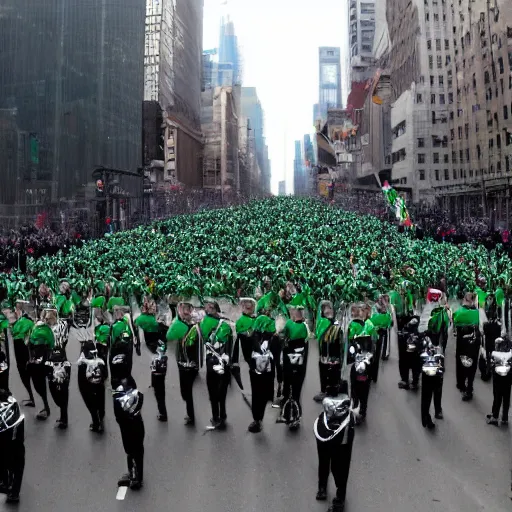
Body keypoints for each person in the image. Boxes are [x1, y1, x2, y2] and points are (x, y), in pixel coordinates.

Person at [236, 299, 277, 433]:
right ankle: (257, 419)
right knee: (257, 392)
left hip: (268, 365)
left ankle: (262, 412)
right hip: (256, 366)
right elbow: (245, 345)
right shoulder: (247, 325)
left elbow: (278, 344)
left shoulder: (272, 324)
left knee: (264, 391)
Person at [314, 395, 355, 512]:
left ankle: (340, 499)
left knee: (340, 466)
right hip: (328, 418)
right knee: (323, 459)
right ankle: (322, 486)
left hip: (344, 427)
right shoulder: (322, 419)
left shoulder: (348, 423)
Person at [201, 300, 234, 430]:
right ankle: (223, 415)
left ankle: (216, 417)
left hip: (212, 360)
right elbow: (230, 345)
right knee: (222, 390)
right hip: (224, 361)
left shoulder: (204, 322)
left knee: (213, 389)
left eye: (209, 307)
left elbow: (199, 339)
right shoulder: (226, 324)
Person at [167, 300, 202, 426]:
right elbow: (170, 336)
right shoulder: (179, 324)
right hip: (181, 361)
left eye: (187, 309)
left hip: (189, 364)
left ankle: (191, 416)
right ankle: (190, 411)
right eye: (182, 309)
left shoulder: (194, 324)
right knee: (184, 391)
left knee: (187, 391)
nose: (185, 312)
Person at [134, 296, 169, 421]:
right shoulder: (157, 322)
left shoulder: (139, 320)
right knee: (160, 389)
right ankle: (163, 412)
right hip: (159, 355)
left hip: (145, 354)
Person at [279, 306, 309, 430]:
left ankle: (295, 415)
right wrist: (279, 332)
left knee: (296, 387)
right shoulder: (289, 323)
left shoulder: (304, 326)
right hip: (288, 353)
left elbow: (306, 341)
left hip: (299, 356)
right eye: (294, 311)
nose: (295, 313)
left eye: (298, 312)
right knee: (288, 385)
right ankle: (286, 413)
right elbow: (283, 336)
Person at [113, 377, 144, 490]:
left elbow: (117, 413)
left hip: (128, 425)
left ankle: (136, 478)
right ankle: (134, 474)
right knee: (134, 450)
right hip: (135, 424)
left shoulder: (118, 396)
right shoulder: (138, 395)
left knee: (133, 450)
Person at [45, 308, 71, 429]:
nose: (46, 320)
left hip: (61, 359)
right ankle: (62, 410)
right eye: (46, 318)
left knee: (64, 389)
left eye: (48, 318)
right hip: (50, 360)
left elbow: (68, 322)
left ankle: (64, 418)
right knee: (52, 387)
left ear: (55, 317)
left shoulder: (63, 325)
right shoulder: (45, 328)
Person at [453, 292, 481, 401]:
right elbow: (482, 327)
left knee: (461, 364)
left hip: (463, 344)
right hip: (474, 344)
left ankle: (462, 384)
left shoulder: (460, 312)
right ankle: (469, 388)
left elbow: (455, 321)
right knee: (472, 366)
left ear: (465, 299)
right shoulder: (478, 313)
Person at [314, 300, 343, 402]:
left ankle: (333, 390)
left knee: (334, 371)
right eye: (325, 309)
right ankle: (324, 391)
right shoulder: (322, 323)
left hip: (335, 352)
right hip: (325, 352)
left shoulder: (337, 323)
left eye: (330, 308)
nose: (328, 311)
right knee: (324, 370)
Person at [27, 314, 55, 420]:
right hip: (44, 362)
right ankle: (46, 407)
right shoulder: (48, 332)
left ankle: (46, 408)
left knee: (39, 386)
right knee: (42, 385)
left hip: (37, 364)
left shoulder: (35, 332)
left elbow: (29, 344)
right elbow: (52, 345)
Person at [0, 389, 25, 503]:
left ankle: (9, 485)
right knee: (15, 460)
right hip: (13, 436)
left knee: (12, 458)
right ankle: (12, 489)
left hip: (9, 433)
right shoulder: (12, 404)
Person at [11, 301, 35, 406]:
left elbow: (14, 333)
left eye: (16, 310)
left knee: (24, 373)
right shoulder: (28, 320)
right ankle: (33, 397)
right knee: (28, 373)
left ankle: (32, 398)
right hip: (26, 347)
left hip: (21, 347)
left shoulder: (21, 322)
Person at [486, 336, 512, 426]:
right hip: (508, 372)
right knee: (506, 395)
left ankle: (495, 416)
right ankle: (504, 417)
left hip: (500, 372)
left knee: (497, 394)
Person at [420, 338, 445, 429]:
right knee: (427, 387)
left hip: (438, 345)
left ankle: (437, 409)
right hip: (426, 346)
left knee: (438, 381)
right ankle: (426, 416)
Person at [370, 297, 392, 383]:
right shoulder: (372, 307)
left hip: (379, 332)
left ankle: (373, 375)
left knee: (375, 355)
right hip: (370, 333)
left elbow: (389, 321)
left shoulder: (386, 308)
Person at [397, 316, 422, 391]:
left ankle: (415, 381)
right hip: (407, 344)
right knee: (404, 360)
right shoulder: (407, 325)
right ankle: (405, 379)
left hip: (416, 345)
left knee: (416, 362)